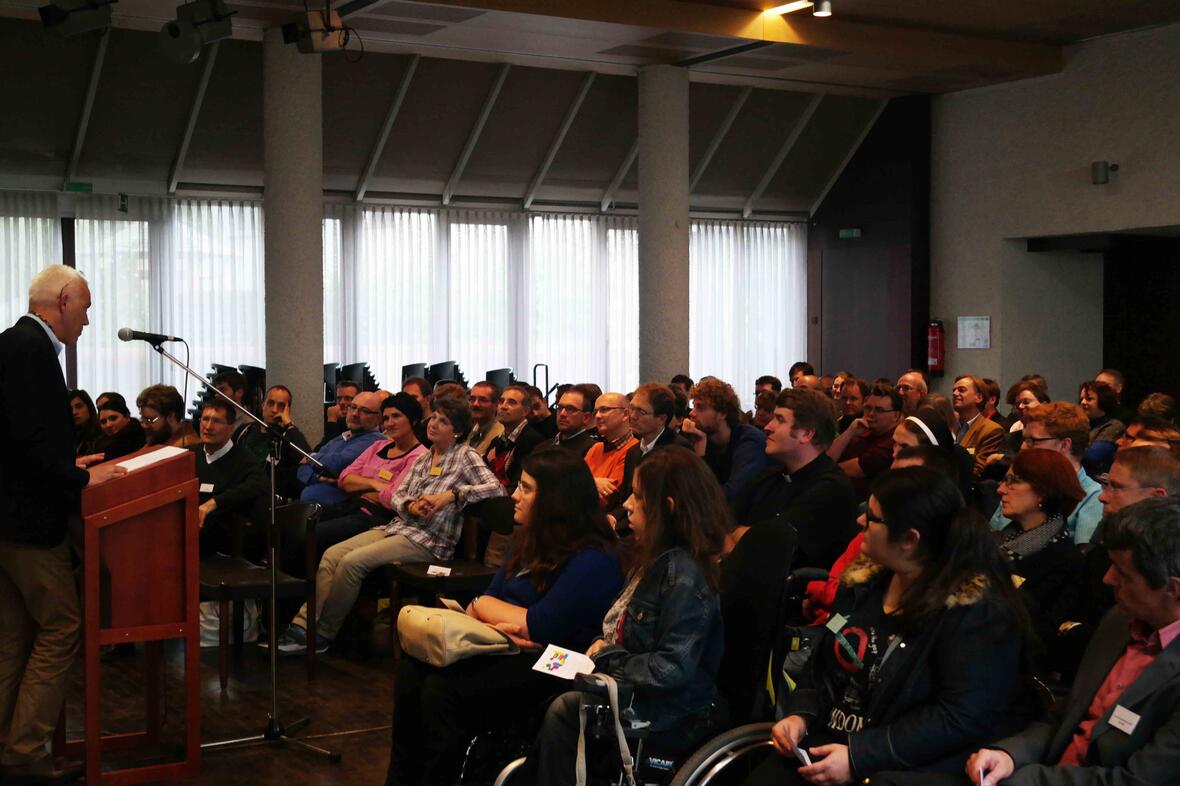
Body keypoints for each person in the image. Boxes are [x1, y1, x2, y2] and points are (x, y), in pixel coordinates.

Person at [743, 466, 1034, 786]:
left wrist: (859, 756)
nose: (860, 521)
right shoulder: (863, 586)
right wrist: (801, 715)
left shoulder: (975, 613)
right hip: (824, 746)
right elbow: (820, 668)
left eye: (872, 517)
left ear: (909, 539)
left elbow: (958, 717)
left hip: (894, 767)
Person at [385, 448, 623, 786]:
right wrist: (495, 611)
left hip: (560, 662)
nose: (514, 495)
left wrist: (492, 610)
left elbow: (541, 626)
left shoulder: (593, 557)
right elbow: (487, 600)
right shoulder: (528, 539)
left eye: (526, 488)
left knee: (442, 690)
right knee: (414, 669)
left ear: (556, 498)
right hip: (509, 646)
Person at [520, 446, 731, 784]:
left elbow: (672, 668)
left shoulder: (684, 575)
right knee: (534, 682)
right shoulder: (649, 556)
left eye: (637, 496)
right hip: (628, 685)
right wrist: (600, 649)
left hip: (668, 710)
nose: (628, 505)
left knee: (564, 709)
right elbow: (616, 630)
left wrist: (606, 657)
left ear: (668, 508)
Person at [0, 265, 123, 783]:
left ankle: (8, 744)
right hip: (30, 523)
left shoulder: (11, 342)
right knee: (62, 626)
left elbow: (18, 439)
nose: (88, 320)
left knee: (12, 637)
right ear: (65, 300)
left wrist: (69, 465)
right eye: (87, 307)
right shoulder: (32, 349)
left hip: (7, 518)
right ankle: (26, 752)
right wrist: (77, 481)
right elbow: (30, 444)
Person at [965, 496, 1180, 786]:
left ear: (1173, 589)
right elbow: (1066, 717)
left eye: (1124, 574)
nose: (1107, 579)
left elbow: (1136, 781)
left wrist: (1022, 779)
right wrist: (1009, 755)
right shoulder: (1119, 622)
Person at [278, 396, 504, 655]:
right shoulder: (424, 458)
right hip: (400, 526)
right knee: (332, 555)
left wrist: (451, 496)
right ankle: (301, 626)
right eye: (434, 418)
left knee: (353, 562)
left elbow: (495, 489)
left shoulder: (466, 455)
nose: (434, 425)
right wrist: (409, 505)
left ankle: (321, 634)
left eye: (443, 421)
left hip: (429, 540)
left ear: (457, 430)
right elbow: (397, 493)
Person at [725, 388, 858, 719]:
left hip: (790, 607)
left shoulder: (830, 488)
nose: (767, 427)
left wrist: (743, 537)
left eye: (779, 420)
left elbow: (768, 547)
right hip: (746, 588)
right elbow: (724, 532)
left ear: (806, 434)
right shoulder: (770, 478)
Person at [301, 393, 427, 558]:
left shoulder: (419, 456)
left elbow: (393, 497)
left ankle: (306, 581)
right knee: (294, 522)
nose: (390, 423)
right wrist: (374, 484)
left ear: (413, 420)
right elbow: (345, 479)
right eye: (387, 418)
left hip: (377, 517)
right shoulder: (378, 446)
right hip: (350, 505)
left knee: (313, 533)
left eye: (396, 416)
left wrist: (359, 486)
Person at [993, 449, 1086, 665]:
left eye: (1012, 481)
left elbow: (1034, 635)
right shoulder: (1000, 541)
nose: (1000, 489)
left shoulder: (1063, 562)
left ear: (1042, 491)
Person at [988, 403, 1103, 545]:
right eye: (1024, 439)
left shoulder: (1093, 497)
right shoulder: (1019, 483)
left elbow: (1082, 558)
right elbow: (993, 536)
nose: (1023, 447)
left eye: (1033, 441)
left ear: (1064, 445)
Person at [193, 397, 269, 559]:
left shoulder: (245, 460)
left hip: (226, 535)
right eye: (205, 419)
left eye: (216, 421)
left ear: (230, 428)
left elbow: (258, 485)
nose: (208, 426)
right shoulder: (189, 455)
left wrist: (214, 502)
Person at [609, 382, 688, 532]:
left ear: (661, 419)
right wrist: (611, 518)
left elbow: (663, 508)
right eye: (632, 408)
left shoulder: (677, 450)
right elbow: (627, 498)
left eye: (641, 412)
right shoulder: (633, 451)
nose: (632, 416)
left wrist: (616, 529)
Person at [682, 377, 771, 502]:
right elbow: (690, 490)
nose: (692, 413)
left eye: (700, 407)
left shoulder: (750, 441)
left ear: (722, 413)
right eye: (693, 407)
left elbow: (731, 495)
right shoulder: (704, 439)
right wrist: (699, 445)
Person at [296, 390, 385, 506]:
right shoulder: (343, 436)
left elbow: (337, 463)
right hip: (310, 507)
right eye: (353, 407)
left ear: (378, 418)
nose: (355, 414)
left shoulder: (375, 440)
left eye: (364, 411)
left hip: (338, 509)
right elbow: (301, 471)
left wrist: (311, 457)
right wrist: (320, 478)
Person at [235, 384, 313, 499]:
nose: (274, 410)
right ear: (263, 405)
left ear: (288, 410)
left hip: (269, 497)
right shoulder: (245, 430)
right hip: (240, 490)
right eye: (270, 403)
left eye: (281, 406)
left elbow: (308, 458)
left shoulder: (288, 436)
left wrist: (289, 425)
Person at [827, 382, 903, 498]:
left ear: (896, 416)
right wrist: (850, 432)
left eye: (879, 410)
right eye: (868, 408)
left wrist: (821, 469)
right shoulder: (863, 430)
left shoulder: (894, 443)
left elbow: (829, 468)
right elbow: (828, 458)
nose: (871, 414)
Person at [582, 392, 638, 510]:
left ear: (625, 414)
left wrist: (584, 482)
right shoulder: (596, 448)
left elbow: (606, 499)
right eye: (595, 411)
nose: (597, 416)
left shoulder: (634, 450)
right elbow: (572, 484)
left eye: (604, 409)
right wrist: (594, 482)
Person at [484, 384, 545, 492]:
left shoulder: (533, 442)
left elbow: (518, 485)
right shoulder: (497, 441)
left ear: (525, 411)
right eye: (501, 401)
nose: (503, 406)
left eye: (511, 402)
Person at [952, 374, 1006, 477]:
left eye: (961, 390)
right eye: (954, 390)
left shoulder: (992, 430)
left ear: (979, 398)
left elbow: (979, 471)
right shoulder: (948, 426)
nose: (955, 393)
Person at [136, 384, 199, 448]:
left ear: (171, 416)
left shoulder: (185, 448)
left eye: (150, 419)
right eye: (142, 418)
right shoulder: (160, 439)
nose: (143, 425)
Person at [550, 385, 597, 455]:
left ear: (586, 417)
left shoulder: (592, 450)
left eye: (571, 409)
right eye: (560, 407)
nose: (562, 414)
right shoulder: (545, 445)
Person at [464, 381, 504, 458]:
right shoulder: (472, 430)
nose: (475, 404)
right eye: (472, 399)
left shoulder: (501, 436)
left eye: (482, 400)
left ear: (496, 404)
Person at [322, 379, 361, 445]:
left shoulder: (358, 423)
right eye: (339, 398)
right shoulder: (339, 420)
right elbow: (321, 448)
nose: (342, 402)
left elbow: (332, 449)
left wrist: (332, 420)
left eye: (348, 398)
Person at [69, 389, 103, 456]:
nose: (74, 412)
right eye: (70, 409)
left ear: (89, 407)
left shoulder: (103, 432)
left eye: (79, 406)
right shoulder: (70, 435)